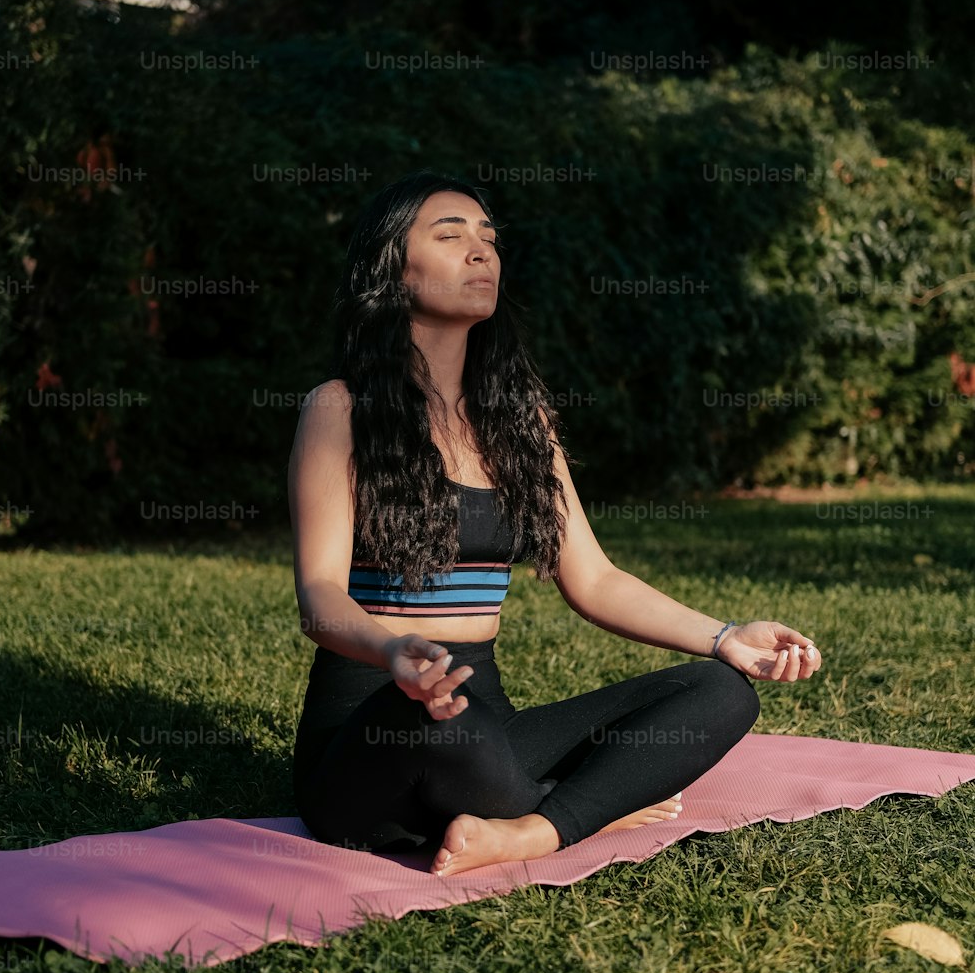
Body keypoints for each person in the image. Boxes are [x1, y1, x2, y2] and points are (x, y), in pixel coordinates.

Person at [289, 170, 823, 878]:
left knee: (719, 691)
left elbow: (594, 579)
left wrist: (728, 637)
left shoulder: (521, 423)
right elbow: (320, 595)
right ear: (390, 266)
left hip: (486, 724)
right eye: (450, 235)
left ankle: (535, 829)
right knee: (444, 723)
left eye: (489, 238)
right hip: (378, 730)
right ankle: (587, 801)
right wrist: (394, 654)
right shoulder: (340, 408)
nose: (481, 251)